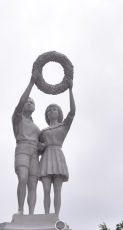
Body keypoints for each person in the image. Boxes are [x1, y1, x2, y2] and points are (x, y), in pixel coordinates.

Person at [38, 80, 75, 216]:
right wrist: (41, 146)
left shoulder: (63, 126)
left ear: (59, 113)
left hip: (58, 156)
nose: (51, 111)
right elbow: (38, 149)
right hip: (46, 157)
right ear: (47, 115)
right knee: (46, 190)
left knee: (57, 190)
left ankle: (56, 215)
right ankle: (47, 215)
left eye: (54, 109)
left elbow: (72, 112)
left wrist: (70, 90)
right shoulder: (42, 131)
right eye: (49, 110)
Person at [12, 75, 41, 214]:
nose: (29, 103)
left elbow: (42, 144)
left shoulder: (37, 128)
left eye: (32, 102)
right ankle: (20, 209)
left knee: (33, 184)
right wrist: (31, 83)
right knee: (23, 178)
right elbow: (21, 100)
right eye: (27, 102)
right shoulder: (17, 118)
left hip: (34, 153)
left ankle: (31, 213)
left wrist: (42, 146)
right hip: (22, 149)